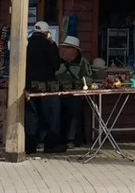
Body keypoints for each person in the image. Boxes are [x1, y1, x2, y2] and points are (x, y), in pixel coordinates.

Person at [25, 21, 63, 152]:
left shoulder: (26, 44)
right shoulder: (49, 44)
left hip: (29, 84)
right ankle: (50, 145)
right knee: (51, 115)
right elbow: (56, 65)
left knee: (31, 116)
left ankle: (30, 146)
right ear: (47, 33)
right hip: (47, 85)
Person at [56, 35, 92, 147]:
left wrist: (80, 83)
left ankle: (70, 139)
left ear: (74, 51)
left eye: (66, 48)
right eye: (63, 48)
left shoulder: (82, 62)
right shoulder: (56, 61)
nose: (63, 50)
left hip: (74, 94)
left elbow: (89, 78)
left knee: (74, 109)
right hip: (57, 92)